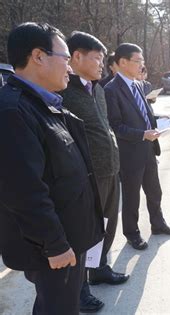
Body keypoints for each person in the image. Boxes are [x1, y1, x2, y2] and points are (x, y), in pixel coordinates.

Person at [0, 22, 104, 315]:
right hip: (53, 245)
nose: (70, 69)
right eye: (66, 59)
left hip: (68, 235)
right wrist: (54, 244)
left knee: (56, 305)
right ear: (38, 56)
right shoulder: (12, 111)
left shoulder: (46, 104)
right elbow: (23, 191)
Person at [61, 31, 129, 313]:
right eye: (97, 59)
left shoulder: (97, 88)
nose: (102, 64)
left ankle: (99, 268)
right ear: (76, 57)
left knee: (108, 225)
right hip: (88, 177)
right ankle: (79, 290)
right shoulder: (64, 92)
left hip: (110, 170)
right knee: (87, 231)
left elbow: (104, 127)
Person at [104, 43, 170, 251]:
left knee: (154, 189)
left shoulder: (137, 84)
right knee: (131, 196)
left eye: (142, 61)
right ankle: (132, 233)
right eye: (138, 61)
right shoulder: (111, 90)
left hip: (148, 148)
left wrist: (160, 120)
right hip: (129, 152)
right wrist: (141, 134)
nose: (141, 65)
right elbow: (115, 126)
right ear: (122, 62)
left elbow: (143, 114)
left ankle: (157, 223)